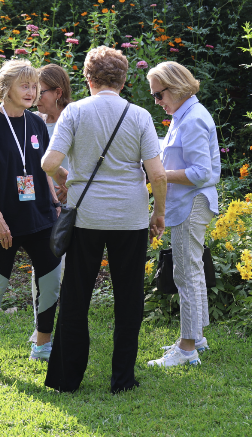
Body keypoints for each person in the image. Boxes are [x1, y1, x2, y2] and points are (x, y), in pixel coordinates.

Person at [41, 45, 167, 394]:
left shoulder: (76, 112)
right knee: (129, 300)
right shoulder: (140, 115)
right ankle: (122, 380)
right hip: (130, 218)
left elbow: (49, 163)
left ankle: (67, 379)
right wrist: (158, 213)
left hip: (86, 216)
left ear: (88, 78)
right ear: (124, 80)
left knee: (76, 296)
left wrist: (65, 182)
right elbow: (157, 174)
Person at [0, 59, 64, 376]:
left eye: (35, 86)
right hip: (3, 223)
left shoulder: (37, 124)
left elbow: (44, 167)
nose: (32, 91)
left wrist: (55, 198)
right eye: (25, 85)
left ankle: (43, 346)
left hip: (40, 219)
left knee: (50, 281)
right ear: (5, 88)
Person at [145, 61, 220, 368]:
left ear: (175, 88)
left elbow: (202, 172)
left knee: (185, 274)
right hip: (188, 203)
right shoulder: (183, 115)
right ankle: (197, 338)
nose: (157, 102)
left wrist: (159, 174)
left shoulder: (191, 120)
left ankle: (187, 347)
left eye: (159, 95)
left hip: (192, 203)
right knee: (192, 269)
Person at [28, 63, 72, 345]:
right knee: (43, 271)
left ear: (57, 92)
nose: (33, 96)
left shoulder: (75, 118)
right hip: (42, 207)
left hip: (73, 207)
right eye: (30, 89)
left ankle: (66, 327)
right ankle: (41, 327)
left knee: (68, 271)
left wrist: (71, 186)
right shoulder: (32, 122)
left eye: (39, 91)